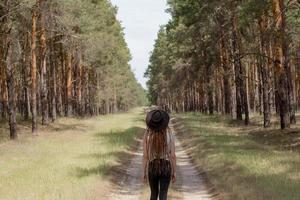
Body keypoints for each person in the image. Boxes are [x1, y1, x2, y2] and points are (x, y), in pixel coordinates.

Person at [142, 109, 176, 200]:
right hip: (166, 166)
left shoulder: (147, 136)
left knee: (153, 194)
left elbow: (145, 156)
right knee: (163, 195)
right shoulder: (169, 134)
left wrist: (144, 172)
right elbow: (172, 155)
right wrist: (174, 171)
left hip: (152, 166)